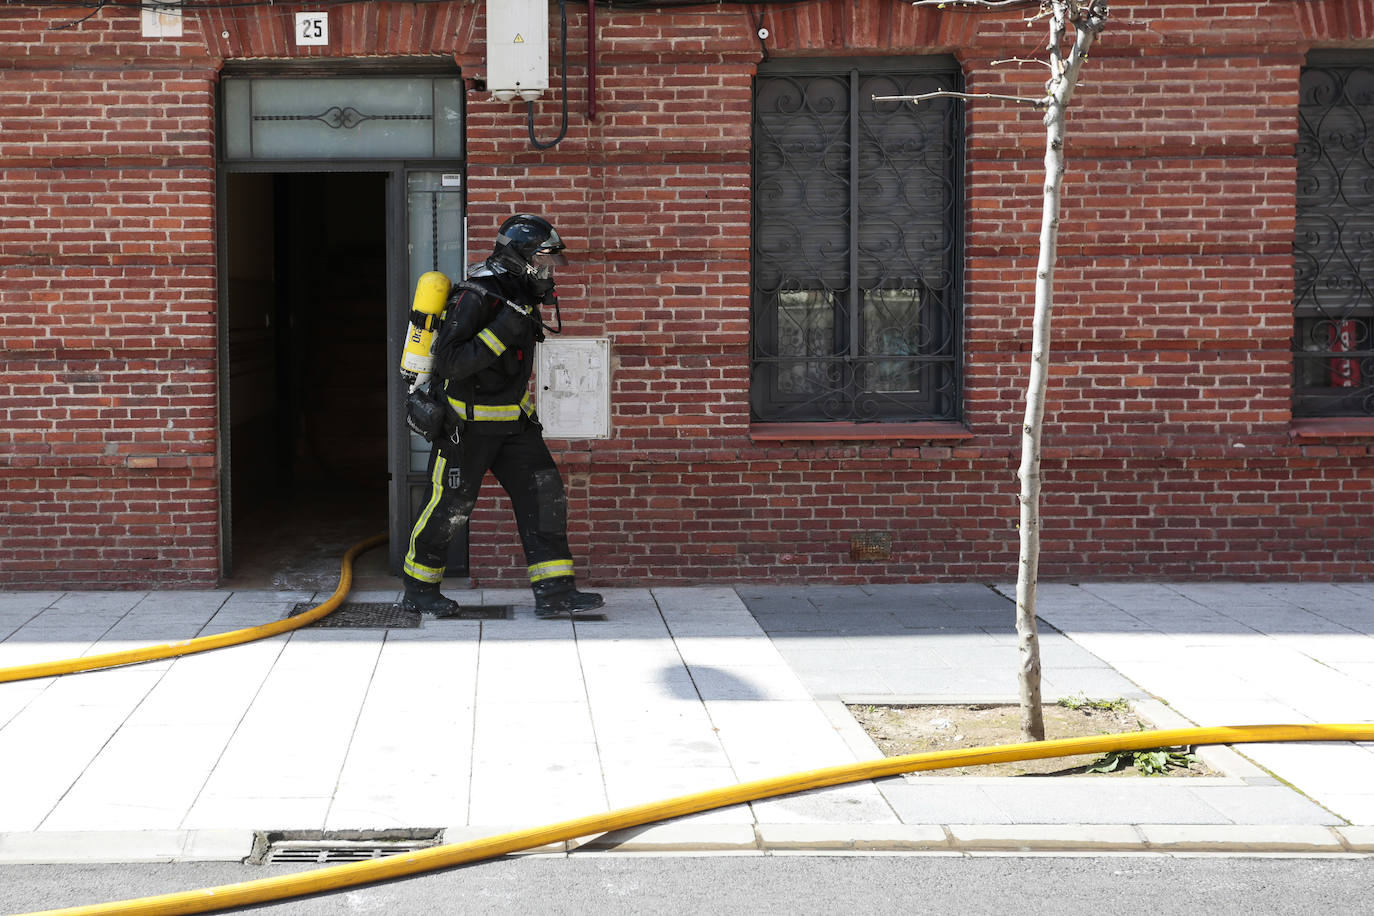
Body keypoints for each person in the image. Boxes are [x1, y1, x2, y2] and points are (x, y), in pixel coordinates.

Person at [400, 214, 604, 620]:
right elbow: (452, 363)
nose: (547, 270)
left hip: (514, 424)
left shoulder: (519, 293)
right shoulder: (477, 295)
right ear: (519, 256)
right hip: (465, 428)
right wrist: (504, 328)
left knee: (545, 497)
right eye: (542, 260)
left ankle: (555, 593)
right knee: (450, 506)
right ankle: (419, 591)